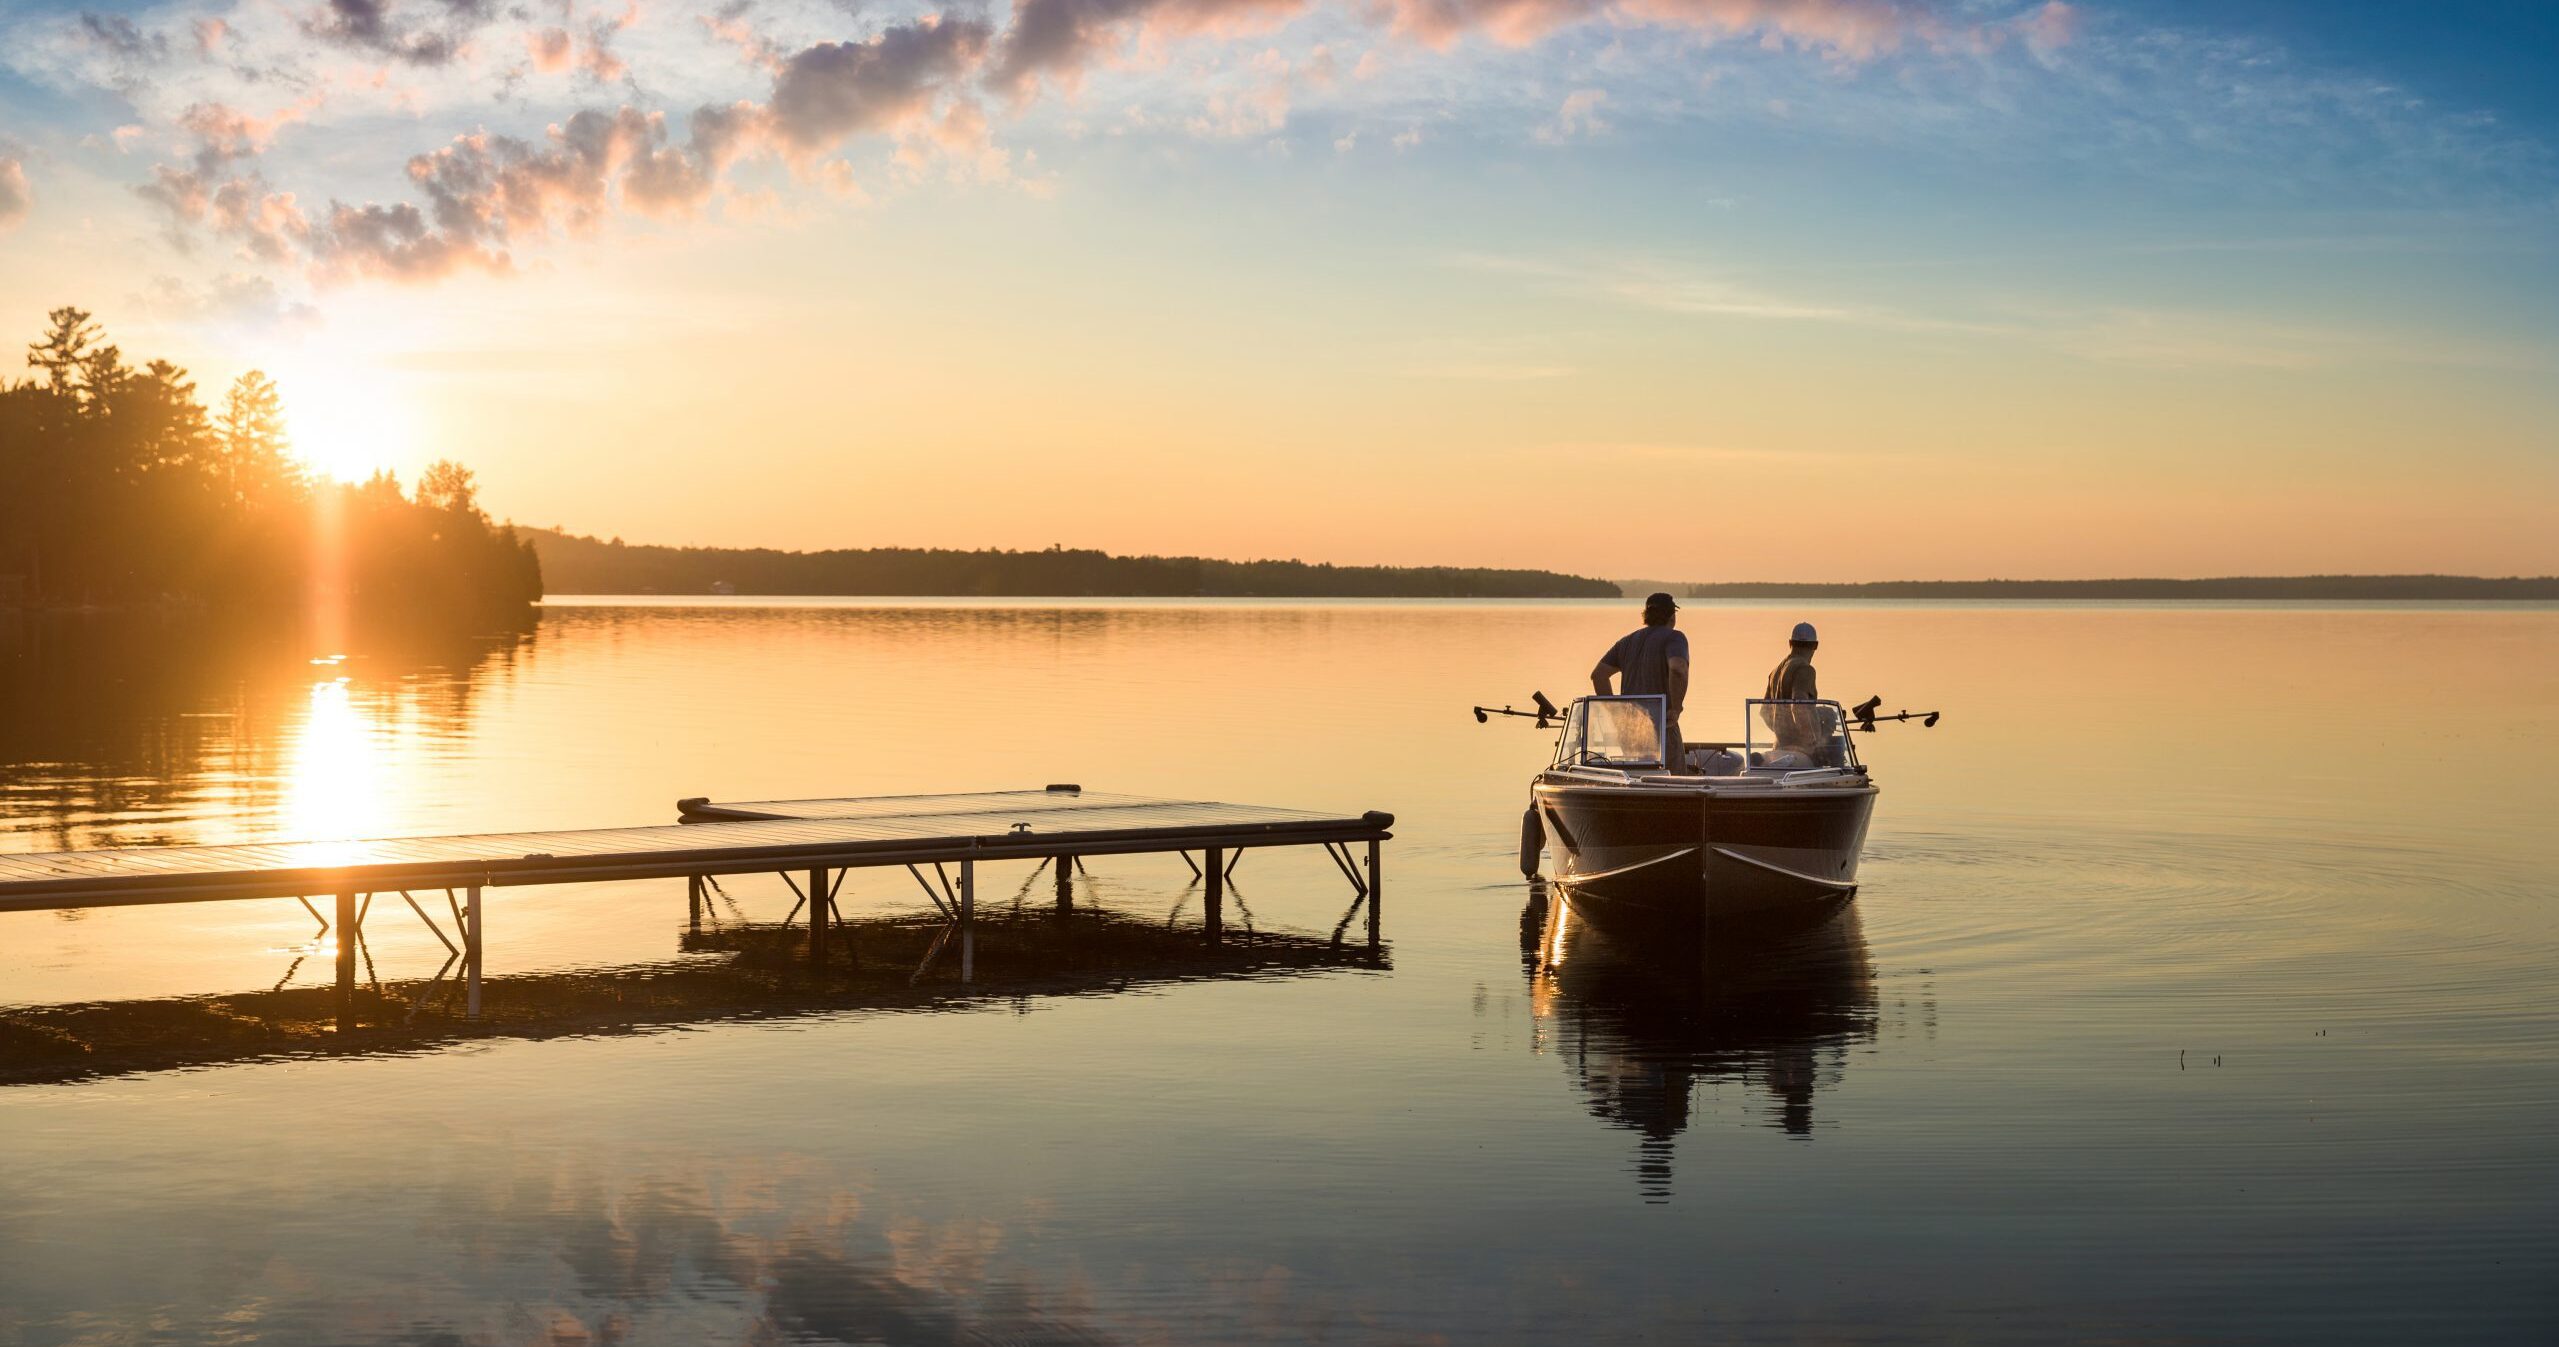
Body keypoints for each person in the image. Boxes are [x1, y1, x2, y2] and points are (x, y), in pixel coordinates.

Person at [1591, 592, 1690, 769]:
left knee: (1638, 776)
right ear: (1672, 615)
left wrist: (1616, 712)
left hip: (1630, 731)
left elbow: (1599, 676)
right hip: (1662, 726)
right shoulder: (1674, 637)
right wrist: (1676, 708)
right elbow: (1678, 668)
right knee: (1674, 780)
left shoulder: (1627, 642)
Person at [1762, 621, 1827, 757]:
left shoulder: (1775, 672)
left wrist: (1783, 734)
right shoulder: (1805, 669)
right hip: (1800, 754)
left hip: (1779, 749)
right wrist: (1811, 743)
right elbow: (1798, 706)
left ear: (1790, 643)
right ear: (1816, 645)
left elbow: (1764, 712)